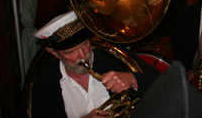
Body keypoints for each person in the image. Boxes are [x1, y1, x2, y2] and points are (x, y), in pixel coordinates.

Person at [31, 10, 160, 118]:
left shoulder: (115, 58)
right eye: (71, 53)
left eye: (85, 45)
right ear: (53, 52)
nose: (83, 56)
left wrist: (134, 80)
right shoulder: (44, 83)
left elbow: (164, 83)